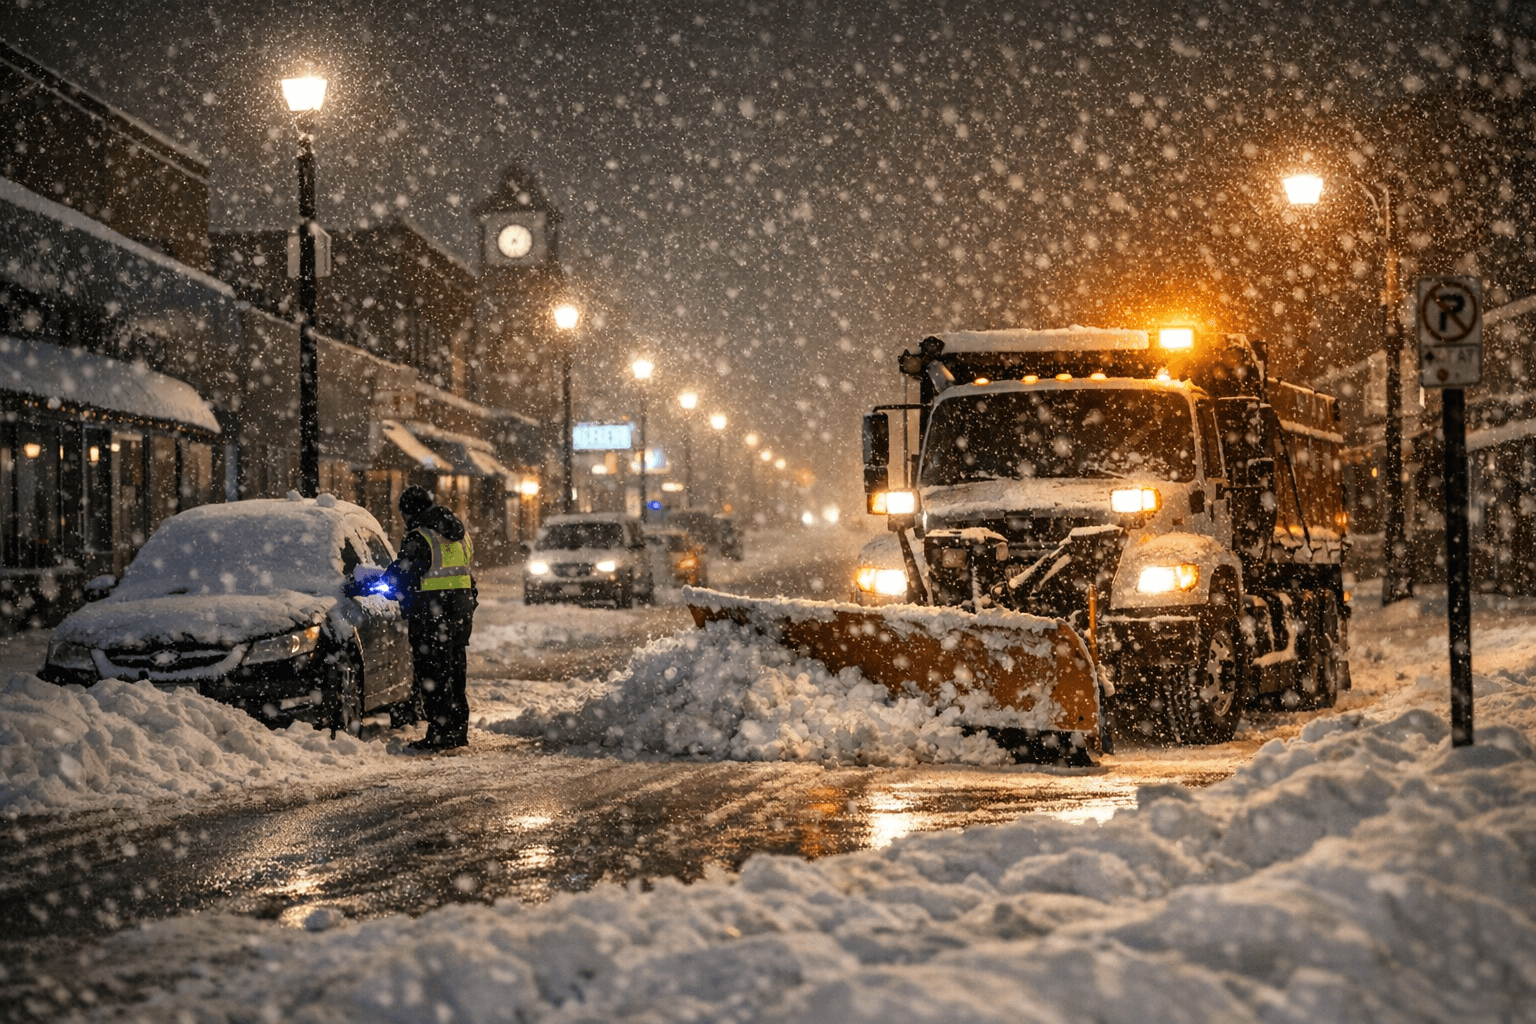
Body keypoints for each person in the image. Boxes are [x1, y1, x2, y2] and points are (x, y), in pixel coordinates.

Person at [378, 485, 477, 751]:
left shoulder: (420, 537)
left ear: (410, 511)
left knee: (433, 678)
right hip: (459, 617)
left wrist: (368, 584)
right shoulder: (459, 534)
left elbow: (400, 576)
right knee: (455, 676)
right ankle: (457, 732)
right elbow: (465, 576)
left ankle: (439, 735)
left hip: (432, 619)